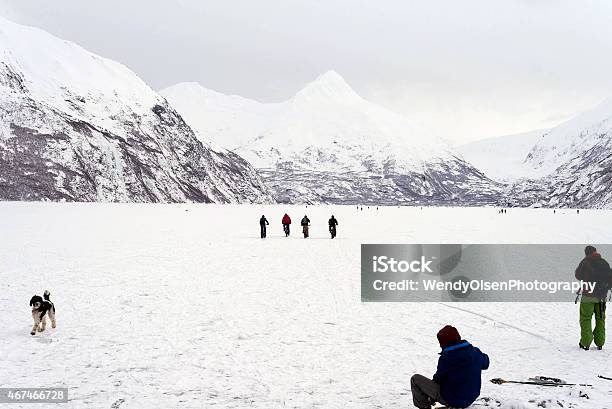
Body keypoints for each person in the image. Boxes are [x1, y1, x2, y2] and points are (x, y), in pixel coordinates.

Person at [410, 325, 489, 409]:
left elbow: (438, 379)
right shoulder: (475, 352)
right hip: (471, 397)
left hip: (453, 399)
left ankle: (424, 406)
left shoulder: (447, 358)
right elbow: (486, 364)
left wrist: (431, 395)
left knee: (415, 379)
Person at [575, 245, 612, 350]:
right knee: (600, 319)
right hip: (601, 297)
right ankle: (600, 343)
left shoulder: (586, 262)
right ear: (596, 252)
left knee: (586, 318)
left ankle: (585, 342)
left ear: (586, 253)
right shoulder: (604, 262)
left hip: (588, 296)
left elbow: (577, 275)